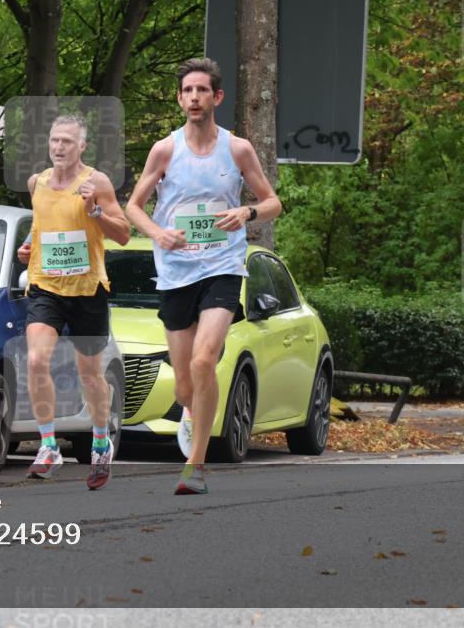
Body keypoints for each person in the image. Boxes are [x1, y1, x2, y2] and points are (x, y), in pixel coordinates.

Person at [125, 58, 282, 495]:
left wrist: (246, 211)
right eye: (187, 91)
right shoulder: (164, 150)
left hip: (222, 267)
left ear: (217, 97)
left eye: (202, 90)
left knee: (203, 360)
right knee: (184, 386)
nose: (194, 97)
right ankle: (192, 411)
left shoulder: (237, 149)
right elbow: (133, 206)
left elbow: (273, 202)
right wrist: (159, 233)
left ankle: (195, 466)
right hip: (176, 272)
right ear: (179, 99)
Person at [16, 114, 130, 490]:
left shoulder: (97, 182)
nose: (59, 147)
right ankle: (49, 446)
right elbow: (42, 226)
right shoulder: (37, 183)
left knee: (90, 375)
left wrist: (95, 209)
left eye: (67, 141)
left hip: (87, 289)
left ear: (82, 146)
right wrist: (27, 248)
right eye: (54, 140)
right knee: (36, 360)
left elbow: (123, 234)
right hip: (46, 286)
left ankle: (100, 441)